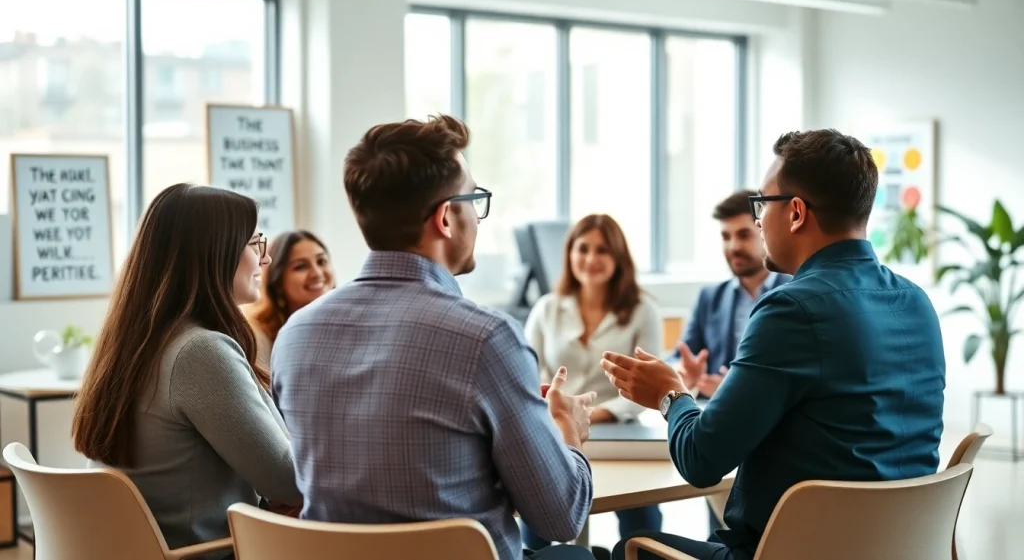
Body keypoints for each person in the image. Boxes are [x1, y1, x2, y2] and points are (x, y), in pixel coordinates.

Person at [601, 129, 945, 560]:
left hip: (792, 553)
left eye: (762, 204)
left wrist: (669, 395)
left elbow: (701, 461)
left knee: (622, 549)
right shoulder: (916, 302)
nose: (759, 220)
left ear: (796, 212)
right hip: (895, 549)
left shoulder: (791, 310)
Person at [271, 114, 598, 560]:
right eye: (474, 200)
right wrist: (567, 430)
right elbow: (561, 518)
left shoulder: (295, 335)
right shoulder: (487, 339)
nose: (478, 218)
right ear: (445, 217)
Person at [71, 184, 301, 559]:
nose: (266, 259)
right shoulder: (199, 351)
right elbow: (288, 482)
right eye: (254, 243)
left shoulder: (139, 341)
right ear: (213, 253)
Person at [522, 213, 663, 551]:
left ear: (618, 257)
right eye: (582, 249)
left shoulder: (643, 310)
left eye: (602, 250)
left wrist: (591, 414)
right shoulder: (546, 309)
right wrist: (560, 413)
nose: (590, 259)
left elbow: (650, 384)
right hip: (553, 432)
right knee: (536, 519)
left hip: (618, 434)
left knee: (642, 523)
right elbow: (528, 375)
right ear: (569, 254)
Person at [674, 190, 791, 535]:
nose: (733, 246)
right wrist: (685, 373)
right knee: (719, 531)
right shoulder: (711, 297)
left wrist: (736, 389)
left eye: (743, 235)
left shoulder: (794, 293)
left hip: (771, 437)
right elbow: (681, 354)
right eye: (725, 237)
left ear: (763, 230)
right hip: (716, 428)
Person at [244, 229, 334, 372]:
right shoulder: (258, 337)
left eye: (321, 261)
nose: (317, 273)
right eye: (300, 266)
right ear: (277, 280)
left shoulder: (345, 322)